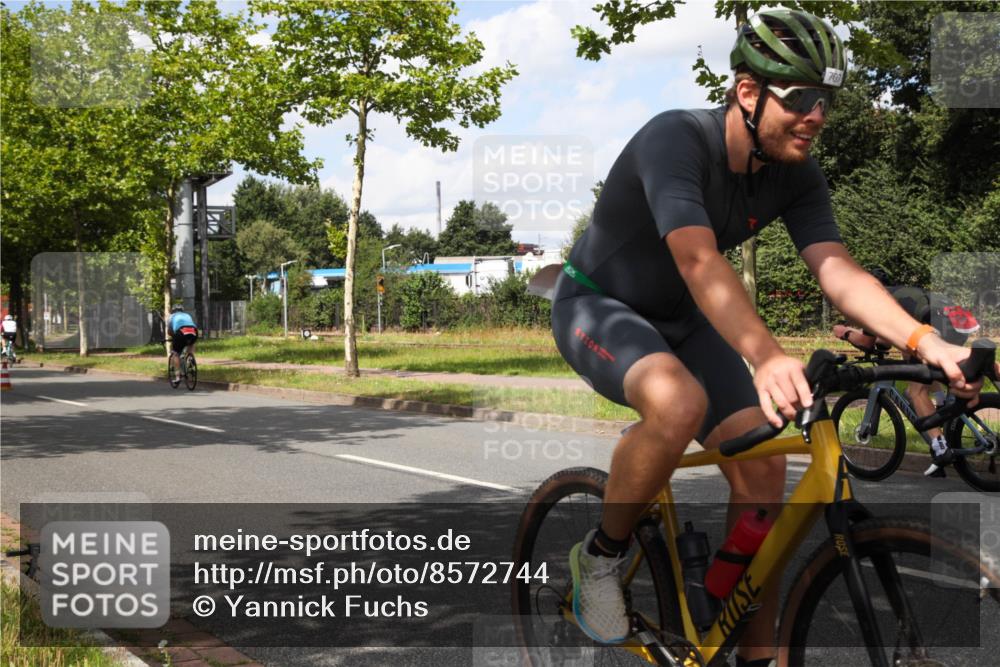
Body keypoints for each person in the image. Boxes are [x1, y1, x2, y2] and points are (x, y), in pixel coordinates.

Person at [551, 9, 994, 665]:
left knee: (763, 468)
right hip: (598, 303)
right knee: (677, 403)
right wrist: (763, 354)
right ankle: (601, 556)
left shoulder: (796, 172)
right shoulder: (676, 139)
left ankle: (752, 652)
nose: (817, 116)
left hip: (686, 318)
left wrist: (925, 340)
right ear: (748, 92)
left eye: (827, 102)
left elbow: (837, 270)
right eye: (802, 98)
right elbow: (698, 258)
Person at [834, 268, 981, 477]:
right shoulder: (899, 294)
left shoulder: (875, 301)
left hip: (937, 324)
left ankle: (941, 448)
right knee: (915, 360)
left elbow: (867, 342)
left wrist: (845, 332)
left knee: (915, 391)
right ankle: (940, 403)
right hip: (959, 321)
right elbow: (886, 341)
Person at [167, 304, 199, 379]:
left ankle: (177, 376)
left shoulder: (171, 316)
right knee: (191, 343)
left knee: (175, 353)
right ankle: (190, 358)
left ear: (173, 311)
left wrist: (173, 337)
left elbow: (169, 331)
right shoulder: (187, 315)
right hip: (193, 331)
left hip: (180, 332)